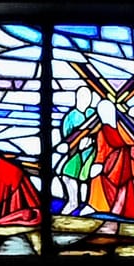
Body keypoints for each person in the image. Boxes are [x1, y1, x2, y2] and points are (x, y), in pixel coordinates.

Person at [89, 96, 134, 222]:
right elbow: (101, 150)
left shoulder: (126, 125)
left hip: (131, 164)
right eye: (102, 113)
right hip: (112, 166)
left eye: (107, 112)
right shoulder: (103, 131)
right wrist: (98, 163)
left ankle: (125, 213)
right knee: (97, 179)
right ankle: (98, 206)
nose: (105, 116)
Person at [54, 85, 97, 215]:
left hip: (92, 153)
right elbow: (66, 136)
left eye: (88, 96)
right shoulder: (70, 116)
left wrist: (92, 141)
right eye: (83, 96)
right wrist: (77, 146)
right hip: (75, 152)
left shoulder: (93, 114)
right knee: (67, 175)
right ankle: (73, 202)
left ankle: (90, 204)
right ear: (77, 97)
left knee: (91, 176)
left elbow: (100, 132)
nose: (86, 99)